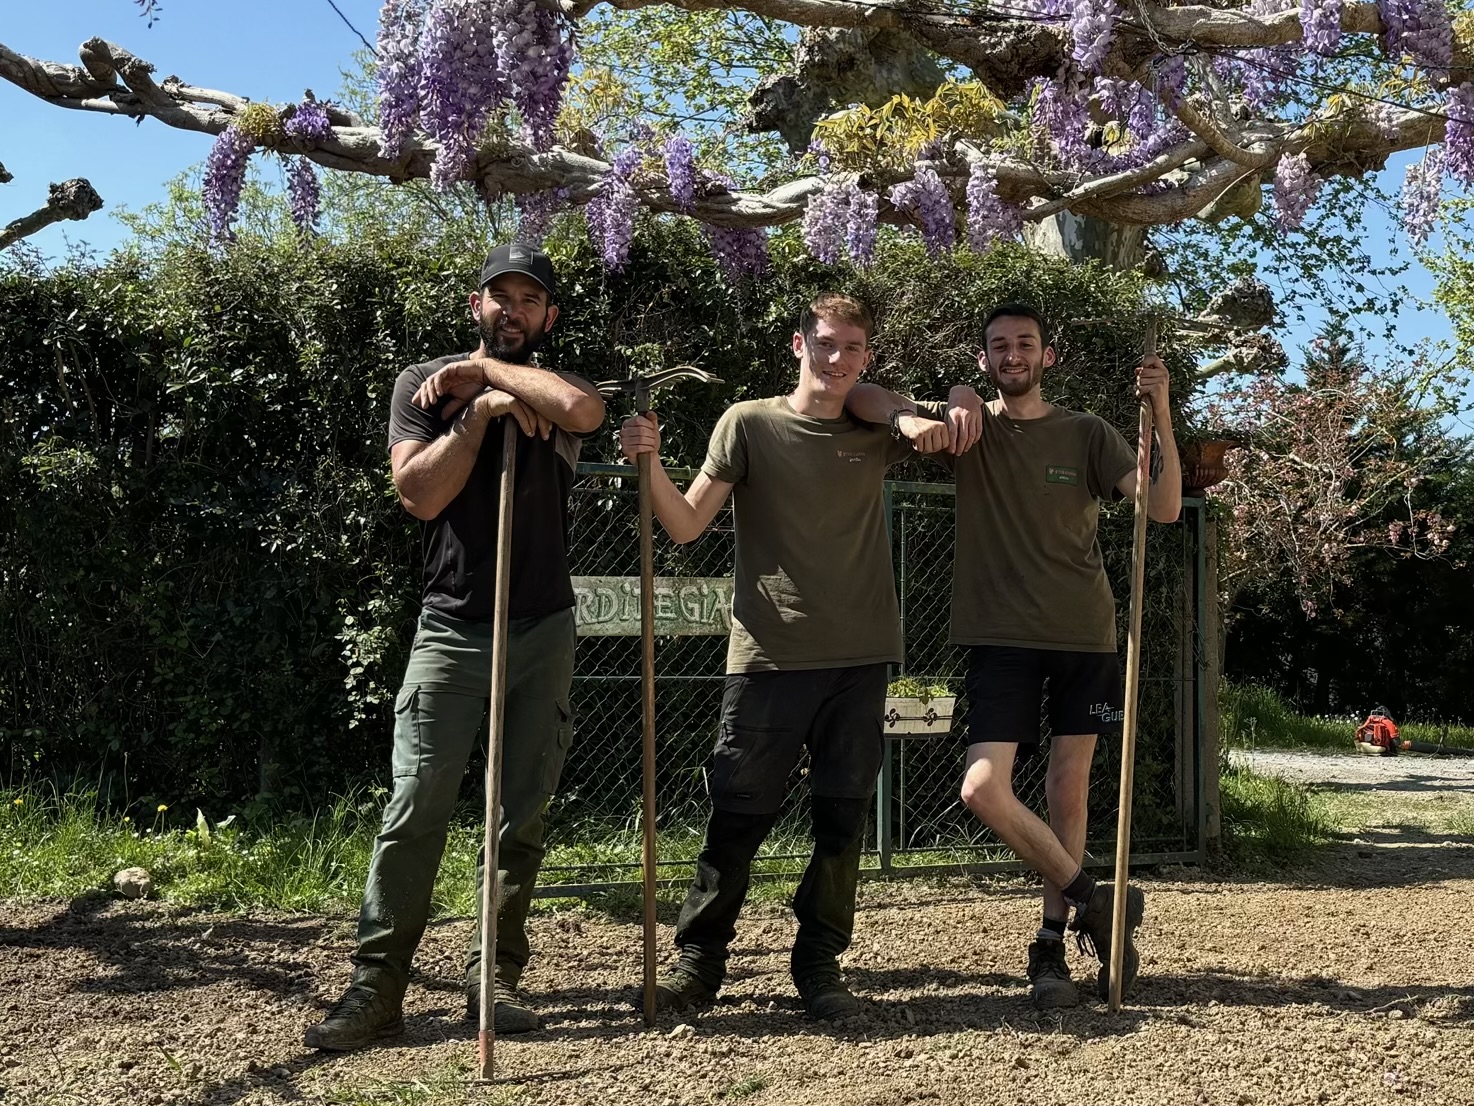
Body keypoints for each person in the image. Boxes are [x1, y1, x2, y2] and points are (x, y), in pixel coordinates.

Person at [305, 244, 605, 1051]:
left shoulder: (559, 382)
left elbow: (583, 414)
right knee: (417, 804)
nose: (514, 310)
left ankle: (493, 979)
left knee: (521, 811)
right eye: (499, 296)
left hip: (543, 624)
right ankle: (378, 986)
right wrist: (477, 414)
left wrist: (498, 379)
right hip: (451, 626)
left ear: (548, 317)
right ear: (475, 305)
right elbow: (419, 493)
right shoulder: (422, 386)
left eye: (530, 301)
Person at [618, 293, 950, 1019]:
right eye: (826, 344)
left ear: (867, 357)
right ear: (798, 346)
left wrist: (921, 407)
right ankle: (699, 964)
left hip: (861, 659)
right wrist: (649, 467)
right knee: (735, 817)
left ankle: (820, 965)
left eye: (853, 348)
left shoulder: (880, 429)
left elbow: (953, 418)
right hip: (767, 657)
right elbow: (684, 525)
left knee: (841, 822)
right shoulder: (750, 423)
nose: (837, 360)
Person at [845, 303, 1181, 1009]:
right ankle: (1098, 901)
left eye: (1025, 343)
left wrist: (1162, 409)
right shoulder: (970, 431)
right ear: (984, 360)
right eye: (999, 346)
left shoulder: (1088, 433)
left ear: (1047, 355)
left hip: (1083, 632)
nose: (1013, 354)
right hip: (999, 638)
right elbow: (861, 398)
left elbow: (1163, 507)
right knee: (982, 789)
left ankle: (1051, 945)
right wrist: (938, 403)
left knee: (1068, 789)